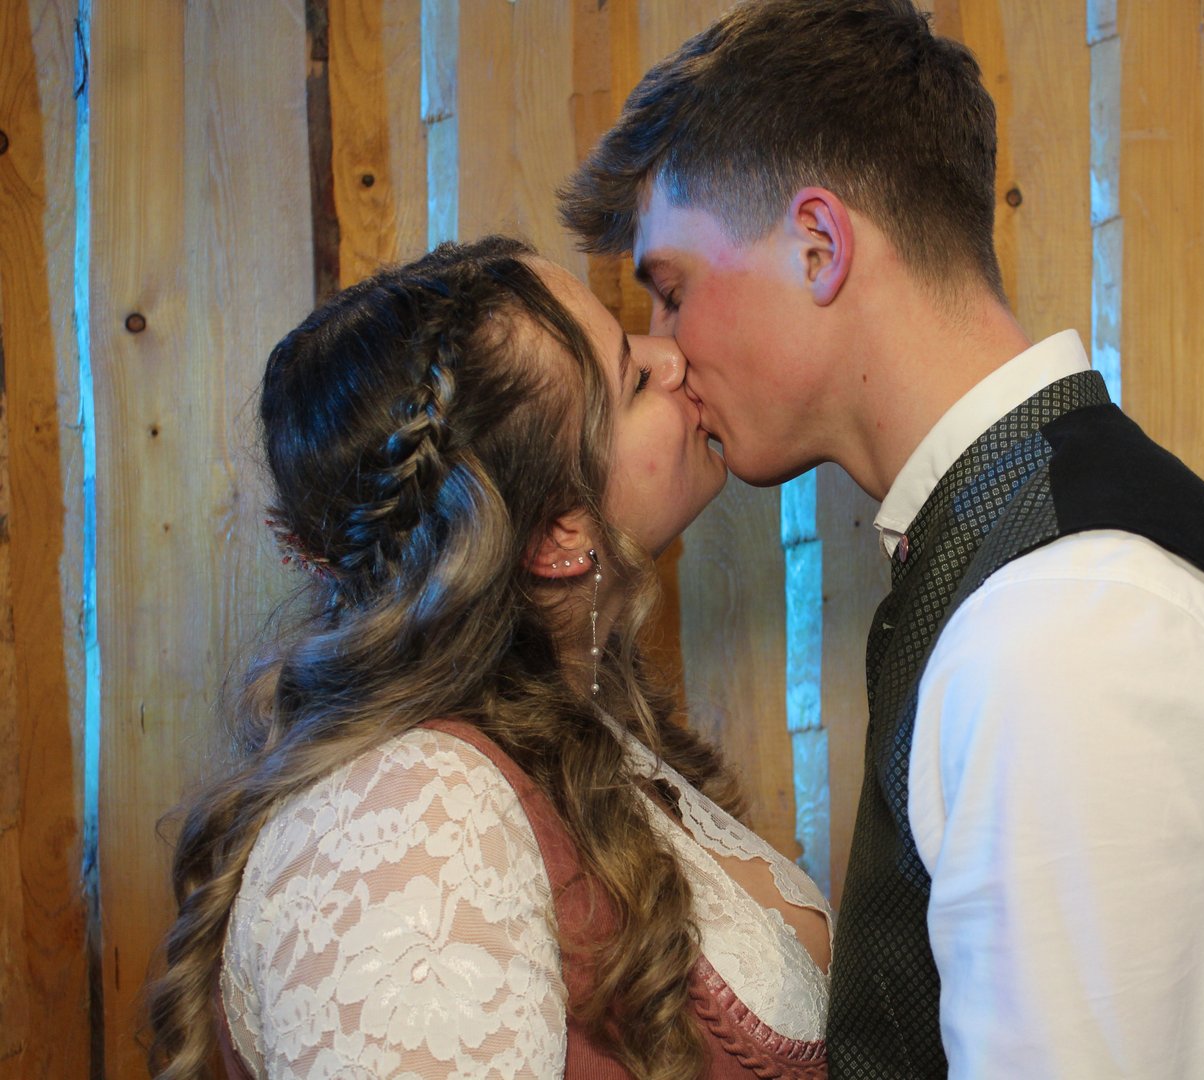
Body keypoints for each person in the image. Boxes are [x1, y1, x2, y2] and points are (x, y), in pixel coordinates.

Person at [558, 1, 1204, 1077]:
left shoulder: (1070, 621)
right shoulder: (1029, 570)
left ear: (818, 247)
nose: (664, 351)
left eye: (672, 290)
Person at [145, 236, 832, 1080]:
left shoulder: (572, 738)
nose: (672, 356)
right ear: (557, 535)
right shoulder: (411, 823)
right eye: (631, 380)